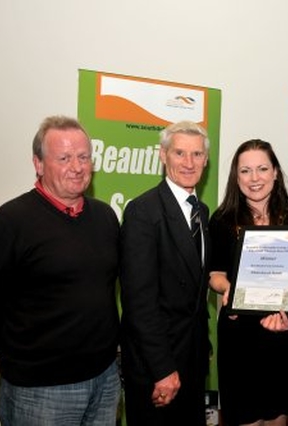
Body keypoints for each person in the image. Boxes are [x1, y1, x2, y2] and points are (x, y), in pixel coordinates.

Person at [0, 115, 121, 425]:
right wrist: (24, 354)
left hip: (105, 379)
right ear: (38, 163)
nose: (77, 166)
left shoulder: (104, 217)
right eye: (64, 158)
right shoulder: (6, 225)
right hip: (40, 390)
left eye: (83, 156)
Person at [208, 139, 288, 426]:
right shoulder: (221, 220)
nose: (255, 179)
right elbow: (215, 274)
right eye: (246, 171)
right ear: (235, 176)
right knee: (246, 419)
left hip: (281, 329)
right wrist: (227, 288)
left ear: (276, 172)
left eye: (263, 169)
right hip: (240, 335)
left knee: (278, 417)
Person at [119, 120, 212, 426]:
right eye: (180, 153)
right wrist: (162, 369)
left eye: (197, 154)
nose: (189, 163)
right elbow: (139, 303)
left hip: (193, 362)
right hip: (159, 368)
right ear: (163, 156)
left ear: (206, 160)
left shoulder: (202, 211)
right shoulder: (142, 212)